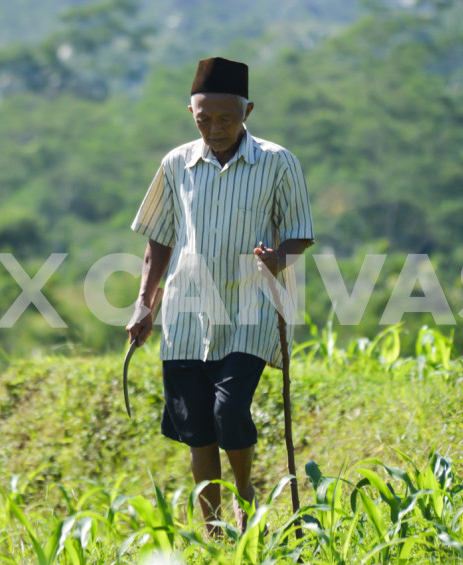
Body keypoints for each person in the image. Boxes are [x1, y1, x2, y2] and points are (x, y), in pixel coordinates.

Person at [125, 56, 314, 536]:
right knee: (197, 429)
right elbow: (158, 241)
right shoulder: (176, 164)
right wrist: (144, 304)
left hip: (251, 305)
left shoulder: (276, 162)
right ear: (191, 113)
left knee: (229, 410)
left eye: (226, 119)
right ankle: (211, 532)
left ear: (247, 112)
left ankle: (245, 498)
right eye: (204, 118)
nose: (215, 128)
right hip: (187, 313)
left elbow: (300, 234)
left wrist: (277, 257)